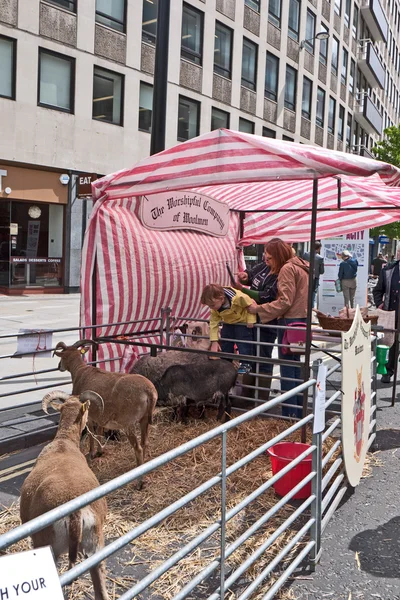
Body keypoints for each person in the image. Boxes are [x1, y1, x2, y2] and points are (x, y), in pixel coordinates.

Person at [247, 239, 309, 418]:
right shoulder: (301, 266)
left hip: (289, 322)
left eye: (270, 257)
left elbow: (284, 301)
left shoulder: (287, 269)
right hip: (300, 321)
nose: (267, 260)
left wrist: (258, 309)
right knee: (295, 367)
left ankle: (290, 415)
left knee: (288, 369)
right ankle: (297, 413)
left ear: (278, 256)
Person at [235, 252, 278, 395]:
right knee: (250, 355)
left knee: (263, 356)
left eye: (270, 255)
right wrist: (245, 276)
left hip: (267, 320)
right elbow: (251, 274)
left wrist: (243, 291)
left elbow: (268, 296)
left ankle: (260, 397)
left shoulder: (281, 272)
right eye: (265, 253)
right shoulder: (264, 266)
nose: (266, 257)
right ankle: (247, 396)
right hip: (252, 317)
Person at [201, 283, 257, 374]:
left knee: (243, 341)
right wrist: (214, 341)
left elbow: (250, 304)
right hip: (228, 322)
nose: (211, 308)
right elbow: (213, 324)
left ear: (221, 299)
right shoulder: (215, 309)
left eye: (212, 305)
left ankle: (246, 363)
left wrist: (251, 320)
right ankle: (226, 361)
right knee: (226, 340)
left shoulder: (239, 298)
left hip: (241, 321)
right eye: (209, 306)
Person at [373, 247, 400, 383]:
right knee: (392, 343)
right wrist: (379, 303)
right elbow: (378, 290)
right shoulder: (388, 270)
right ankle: (389, 371)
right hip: (392, 312)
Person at [303, 241, 325, 307]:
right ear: (318, 248)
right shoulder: (320, 258)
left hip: (305, 277)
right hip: (315, 279)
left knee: (304, 293)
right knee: (313, 295)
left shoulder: (305, 255)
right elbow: (322, 271)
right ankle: (311, 310)